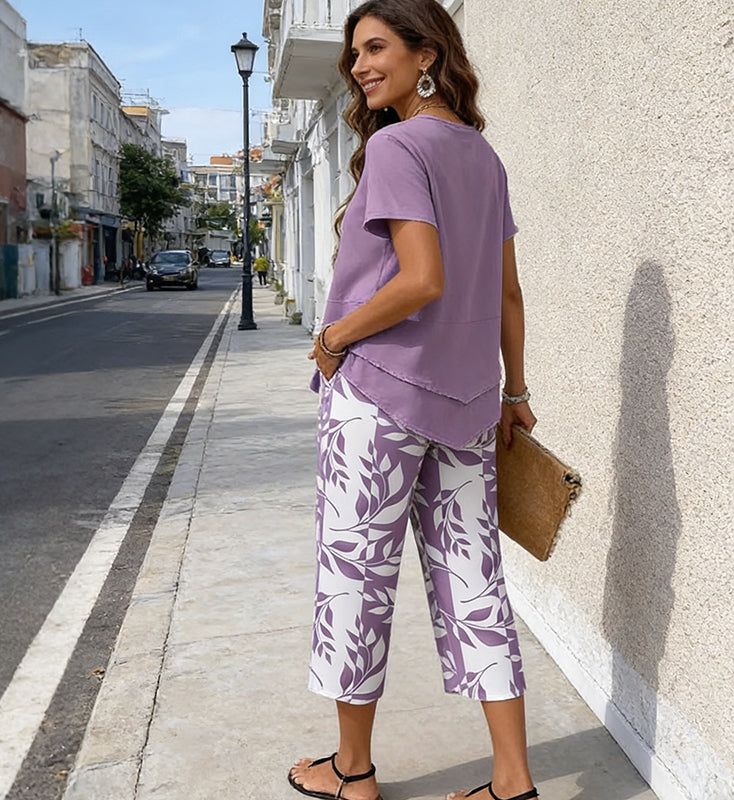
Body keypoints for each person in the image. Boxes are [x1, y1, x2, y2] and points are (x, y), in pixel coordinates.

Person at [289, 3, 538, 800]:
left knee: (355, 580)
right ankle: (512, 781)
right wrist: (516, 392)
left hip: (378, 398)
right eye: (354, 54)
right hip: (468, 404)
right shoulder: (483, 156)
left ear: (426, 54)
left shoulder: (398, 145)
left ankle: (352, 772)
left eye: (376, 48)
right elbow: (507, 292)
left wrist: (333, 339)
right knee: (476, 582)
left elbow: (422, 279)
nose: (360, 66)